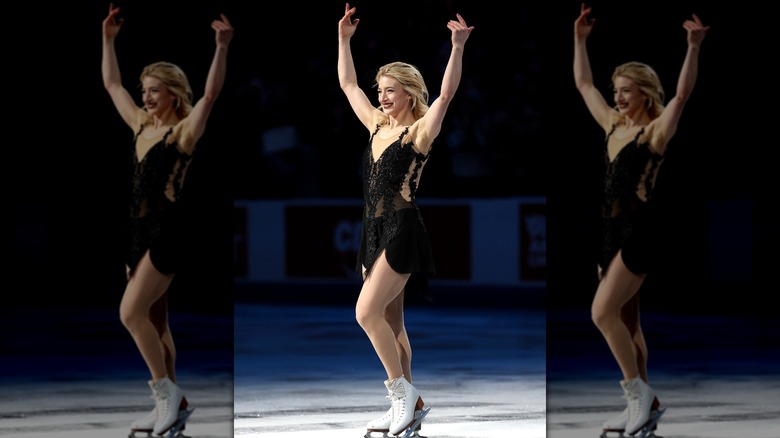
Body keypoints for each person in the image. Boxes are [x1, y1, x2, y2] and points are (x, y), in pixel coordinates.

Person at [338, 3, 473, 437]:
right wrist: (344, 40)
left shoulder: (419, 133)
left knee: (365, 312)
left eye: (391, 90)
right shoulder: (377, 126)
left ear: (411, 94)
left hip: (402, 229)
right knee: (392, 322)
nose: (382, 96)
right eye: (380, 89)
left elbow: (448, 95)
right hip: (372, 232)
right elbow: (346, 84)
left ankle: (402, 395)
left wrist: (456, 47)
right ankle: (409, 405)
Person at [573, 3, 708, 437]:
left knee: (601, 312)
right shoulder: (613, 126)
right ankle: (644, 406)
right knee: (628, 320)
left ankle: (638, 395)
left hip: (641, 231)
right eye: (617, 90)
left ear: (646, 94)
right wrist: (579, 40)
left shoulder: (655, 133)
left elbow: (683, 95)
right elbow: (583, 83)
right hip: (610, 233)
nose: (618, 97)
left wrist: (692, 48)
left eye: (626, 90)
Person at [101, 3, 233, 436]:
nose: (146, 97)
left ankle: (165, 394)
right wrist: (108, 40)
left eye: (154, 90)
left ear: (173, 93)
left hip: (169, 231)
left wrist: (220, 48)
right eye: (145, 91)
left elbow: (211, 96)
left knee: (129, 313)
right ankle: (172, 404)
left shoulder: (183, 133)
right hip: (138, 233)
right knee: (156, 321)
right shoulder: (141, 126)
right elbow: (112, 83)